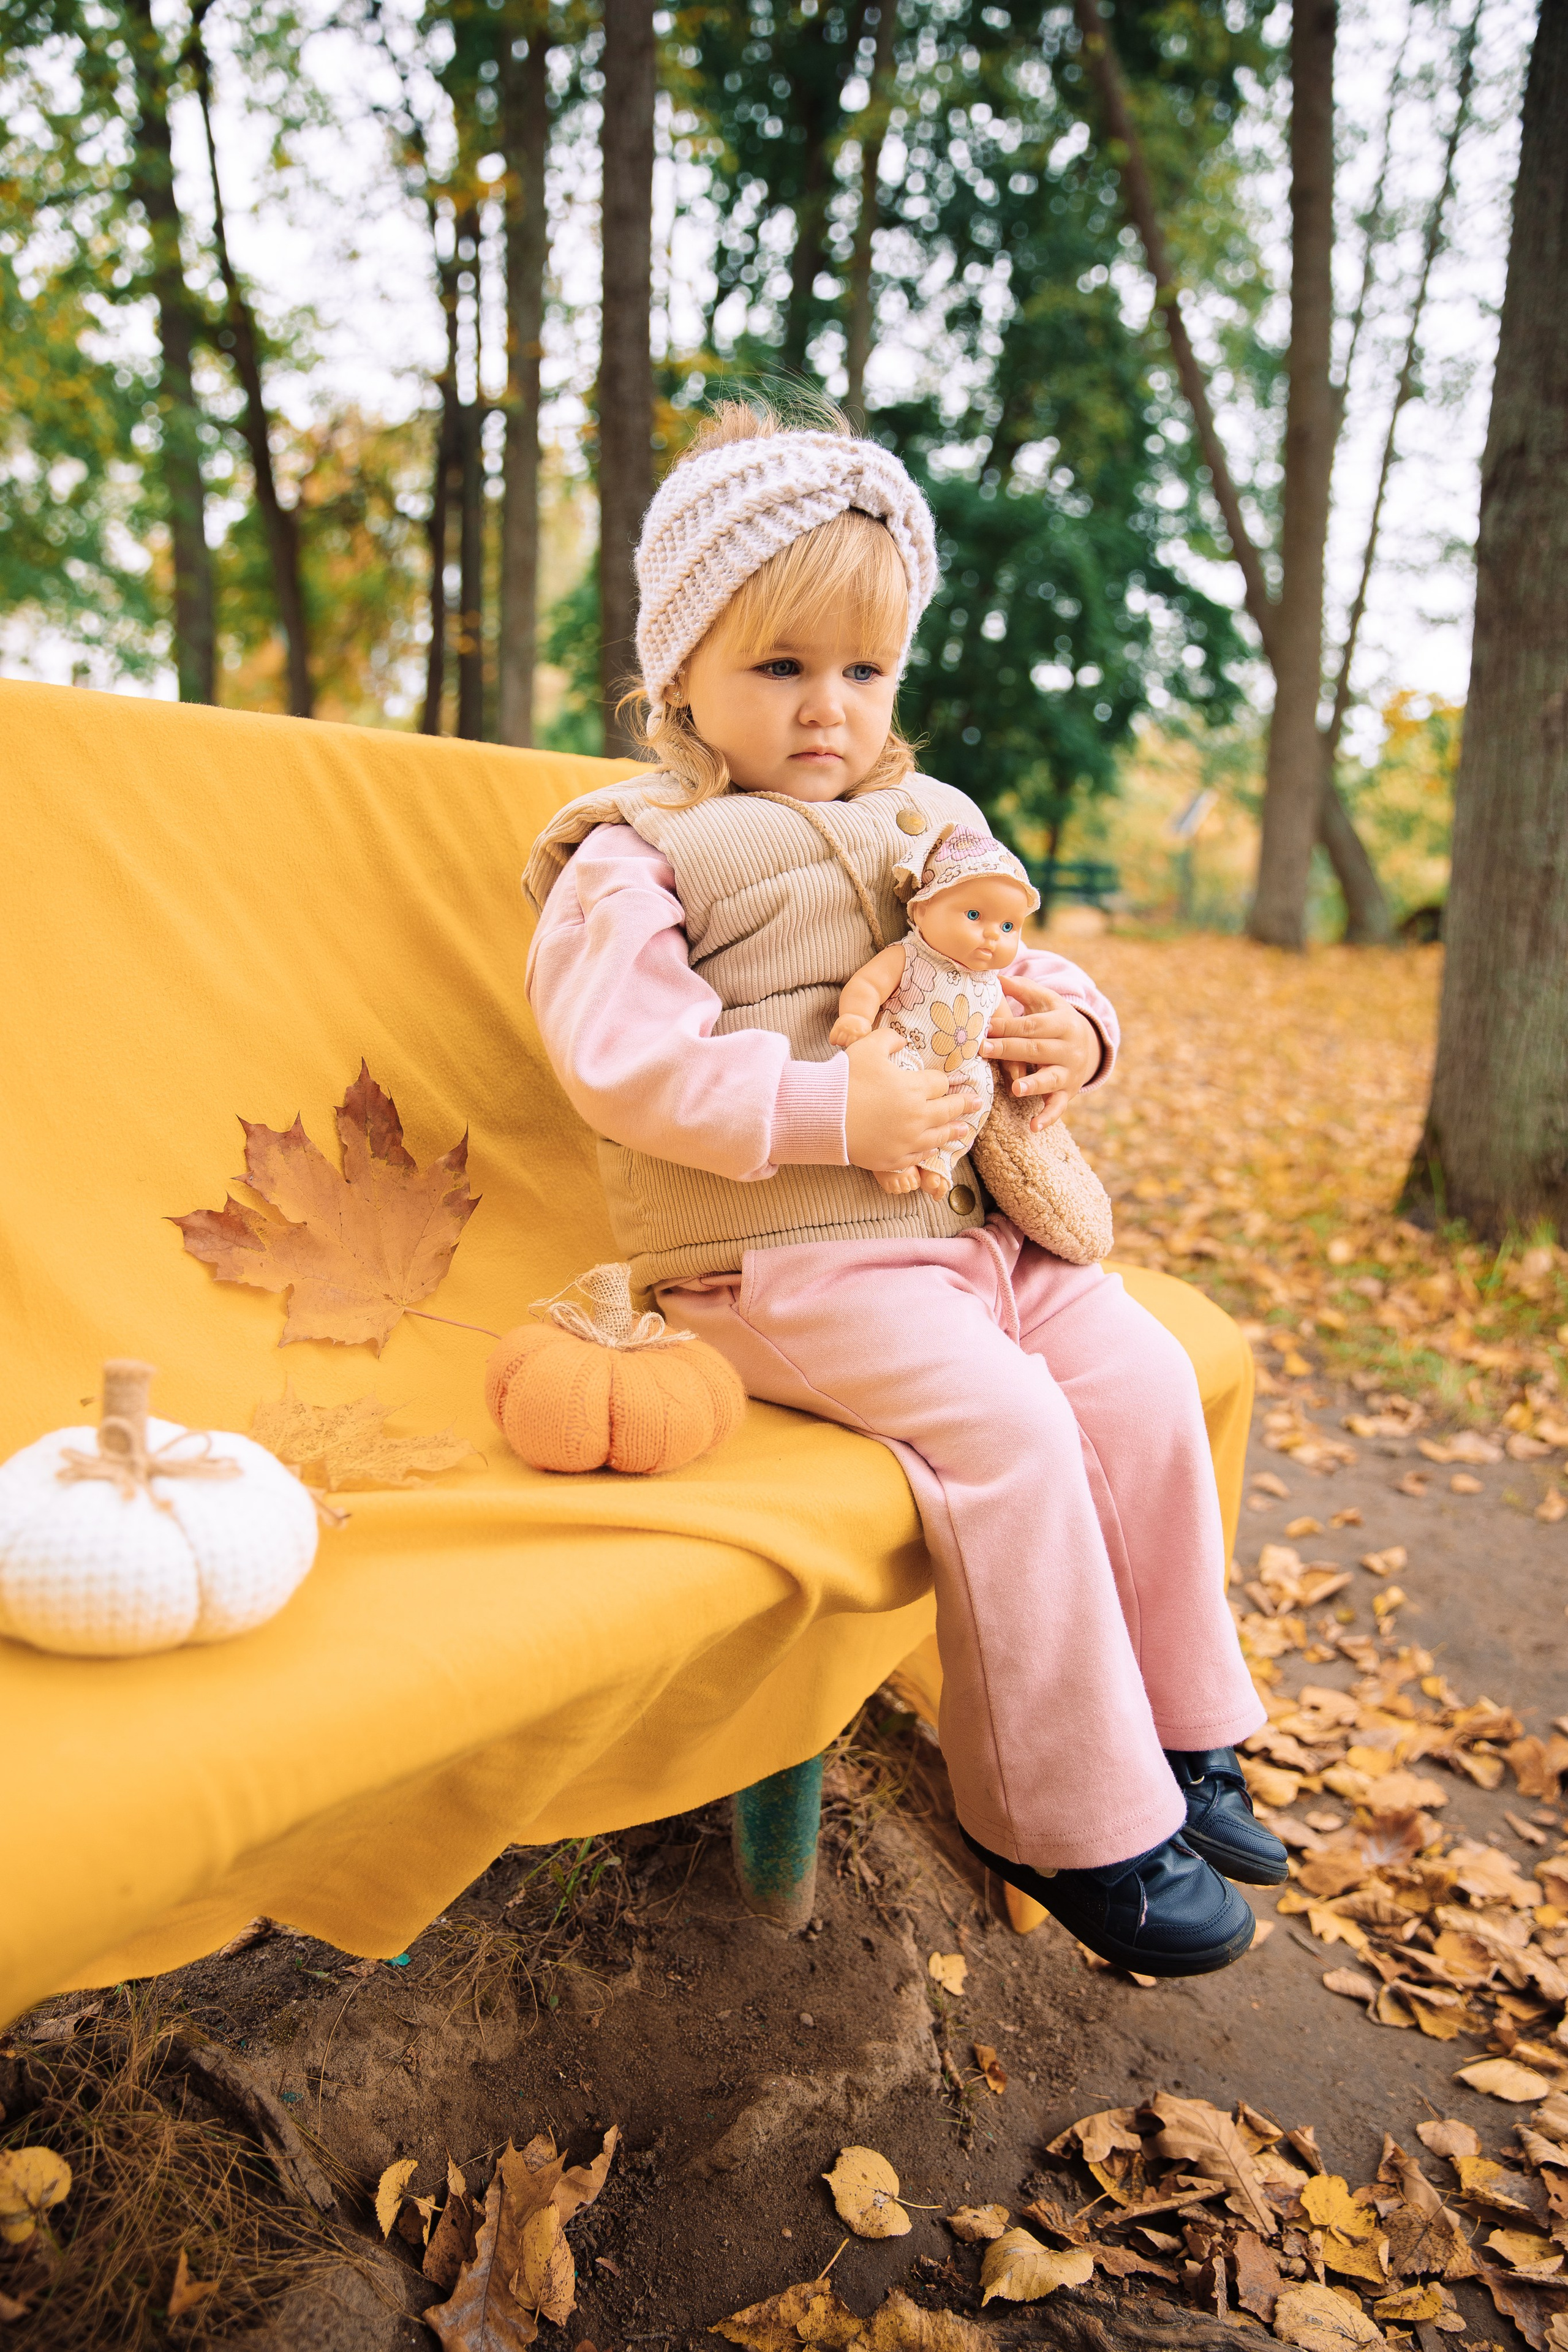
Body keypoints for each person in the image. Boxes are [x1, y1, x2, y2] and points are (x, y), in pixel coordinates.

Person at [523, 398, 1284, 1977]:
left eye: (864, 672)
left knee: (1136, 1373)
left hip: (974, 1237)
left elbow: (1040, 957)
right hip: (781, 1273)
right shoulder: (637, 852)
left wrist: (1072, 1029)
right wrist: (827, 1103)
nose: (829, 711)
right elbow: (623, 1065)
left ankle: (1180, 1734)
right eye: (782, 667)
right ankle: (1071, 1821)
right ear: (682, 675)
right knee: (1007, 1434)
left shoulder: (931, 823)